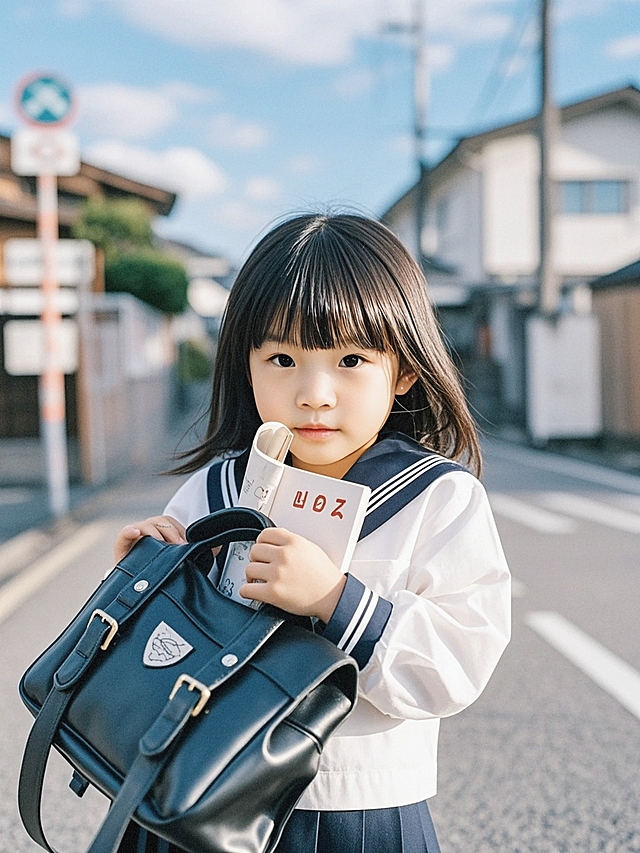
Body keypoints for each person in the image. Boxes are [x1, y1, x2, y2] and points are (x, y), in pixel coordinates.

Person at [114, 213, 511, 853]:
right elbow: (159, 657)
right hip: (197, 796)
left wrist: (335, 600)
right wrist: (146, 577)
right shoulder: (214, 491)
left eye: (351, 359)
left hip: (359, 810)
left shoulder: (439, 499)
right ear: (245, 366)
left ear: (404, 372)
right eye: (281, 358)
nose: (314, 394)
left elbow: (458, 664)